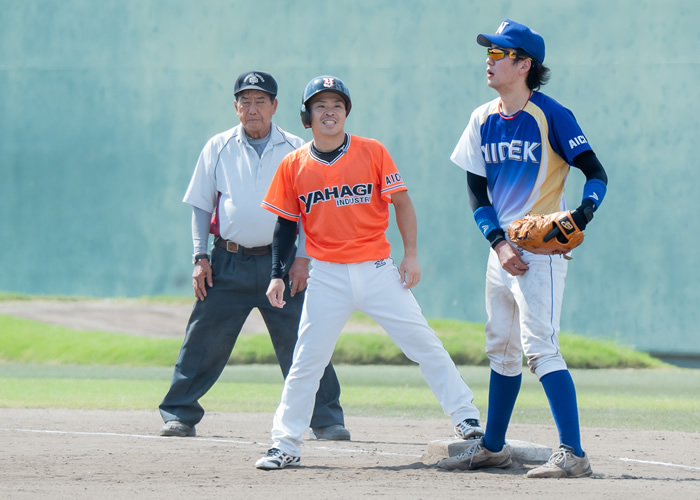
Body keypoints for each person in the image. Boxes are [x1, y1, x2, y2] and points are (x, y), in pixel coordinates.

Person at [253, 75, 484, 470]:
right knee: (307, 360)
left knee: (423, 344)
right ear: (307, 117)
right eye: (320, 106)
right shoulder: (293, 164)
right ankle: (285, 444)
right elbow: (286, 225)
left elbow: (402, 203)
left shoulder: (372, 151)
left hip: (377, 270)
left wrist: (411, 255)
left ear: (346, 113)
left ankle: (466, 417)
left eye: (337, 105)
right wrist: (277, 272)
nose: (329, 112)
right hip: (327, 275)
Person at [437, 20, 608, 478]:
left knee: (540, 348)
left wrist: (583, 213)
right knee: (501, 348)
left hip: (541, 251)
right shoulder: (481, 119)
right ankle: (493, 447)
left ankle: (573, 453)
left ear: (524, 65)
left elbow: (596, 173)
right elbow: (476, 192)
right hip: (502, 251)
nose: (489, 60)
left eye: (499, 53)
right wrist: (497, 243)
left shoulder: (552, 114)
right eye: (488, 52)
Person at [158, 71, 350, 441]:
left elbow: (311, 210)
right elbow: (201, 205)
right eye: (244, 101)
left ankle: (326, 419)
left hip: (283, 265)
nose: (252, 108)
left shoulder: (297, 147)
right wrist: (199, 257)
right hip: (227, 262)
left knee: (305, 340)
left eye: (261, 100)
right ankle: (179, 414)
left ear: (275, 106)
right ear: (235, 107)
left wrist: (304, 259)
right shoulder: (218, 146)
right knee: (203, 341)